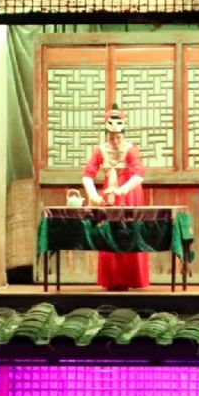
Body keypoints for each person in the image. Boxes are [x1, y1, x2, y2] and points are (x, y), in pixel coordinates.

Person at [81, 107, 150, 291]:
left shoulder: (131, 149)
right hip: (109, 194)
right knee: (109, 232)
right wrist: (94, 195)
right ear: (107, 135)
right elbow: (87, 174)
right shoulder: (100, 150)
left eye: (118, 137)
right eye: (111, 137)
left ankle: (132, 278)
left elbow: (139, 175)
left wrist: (122, 190)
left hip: (129, 194)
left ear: (123, 134)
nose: (115, 141)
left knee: (129, 232)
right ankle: (112, 279)